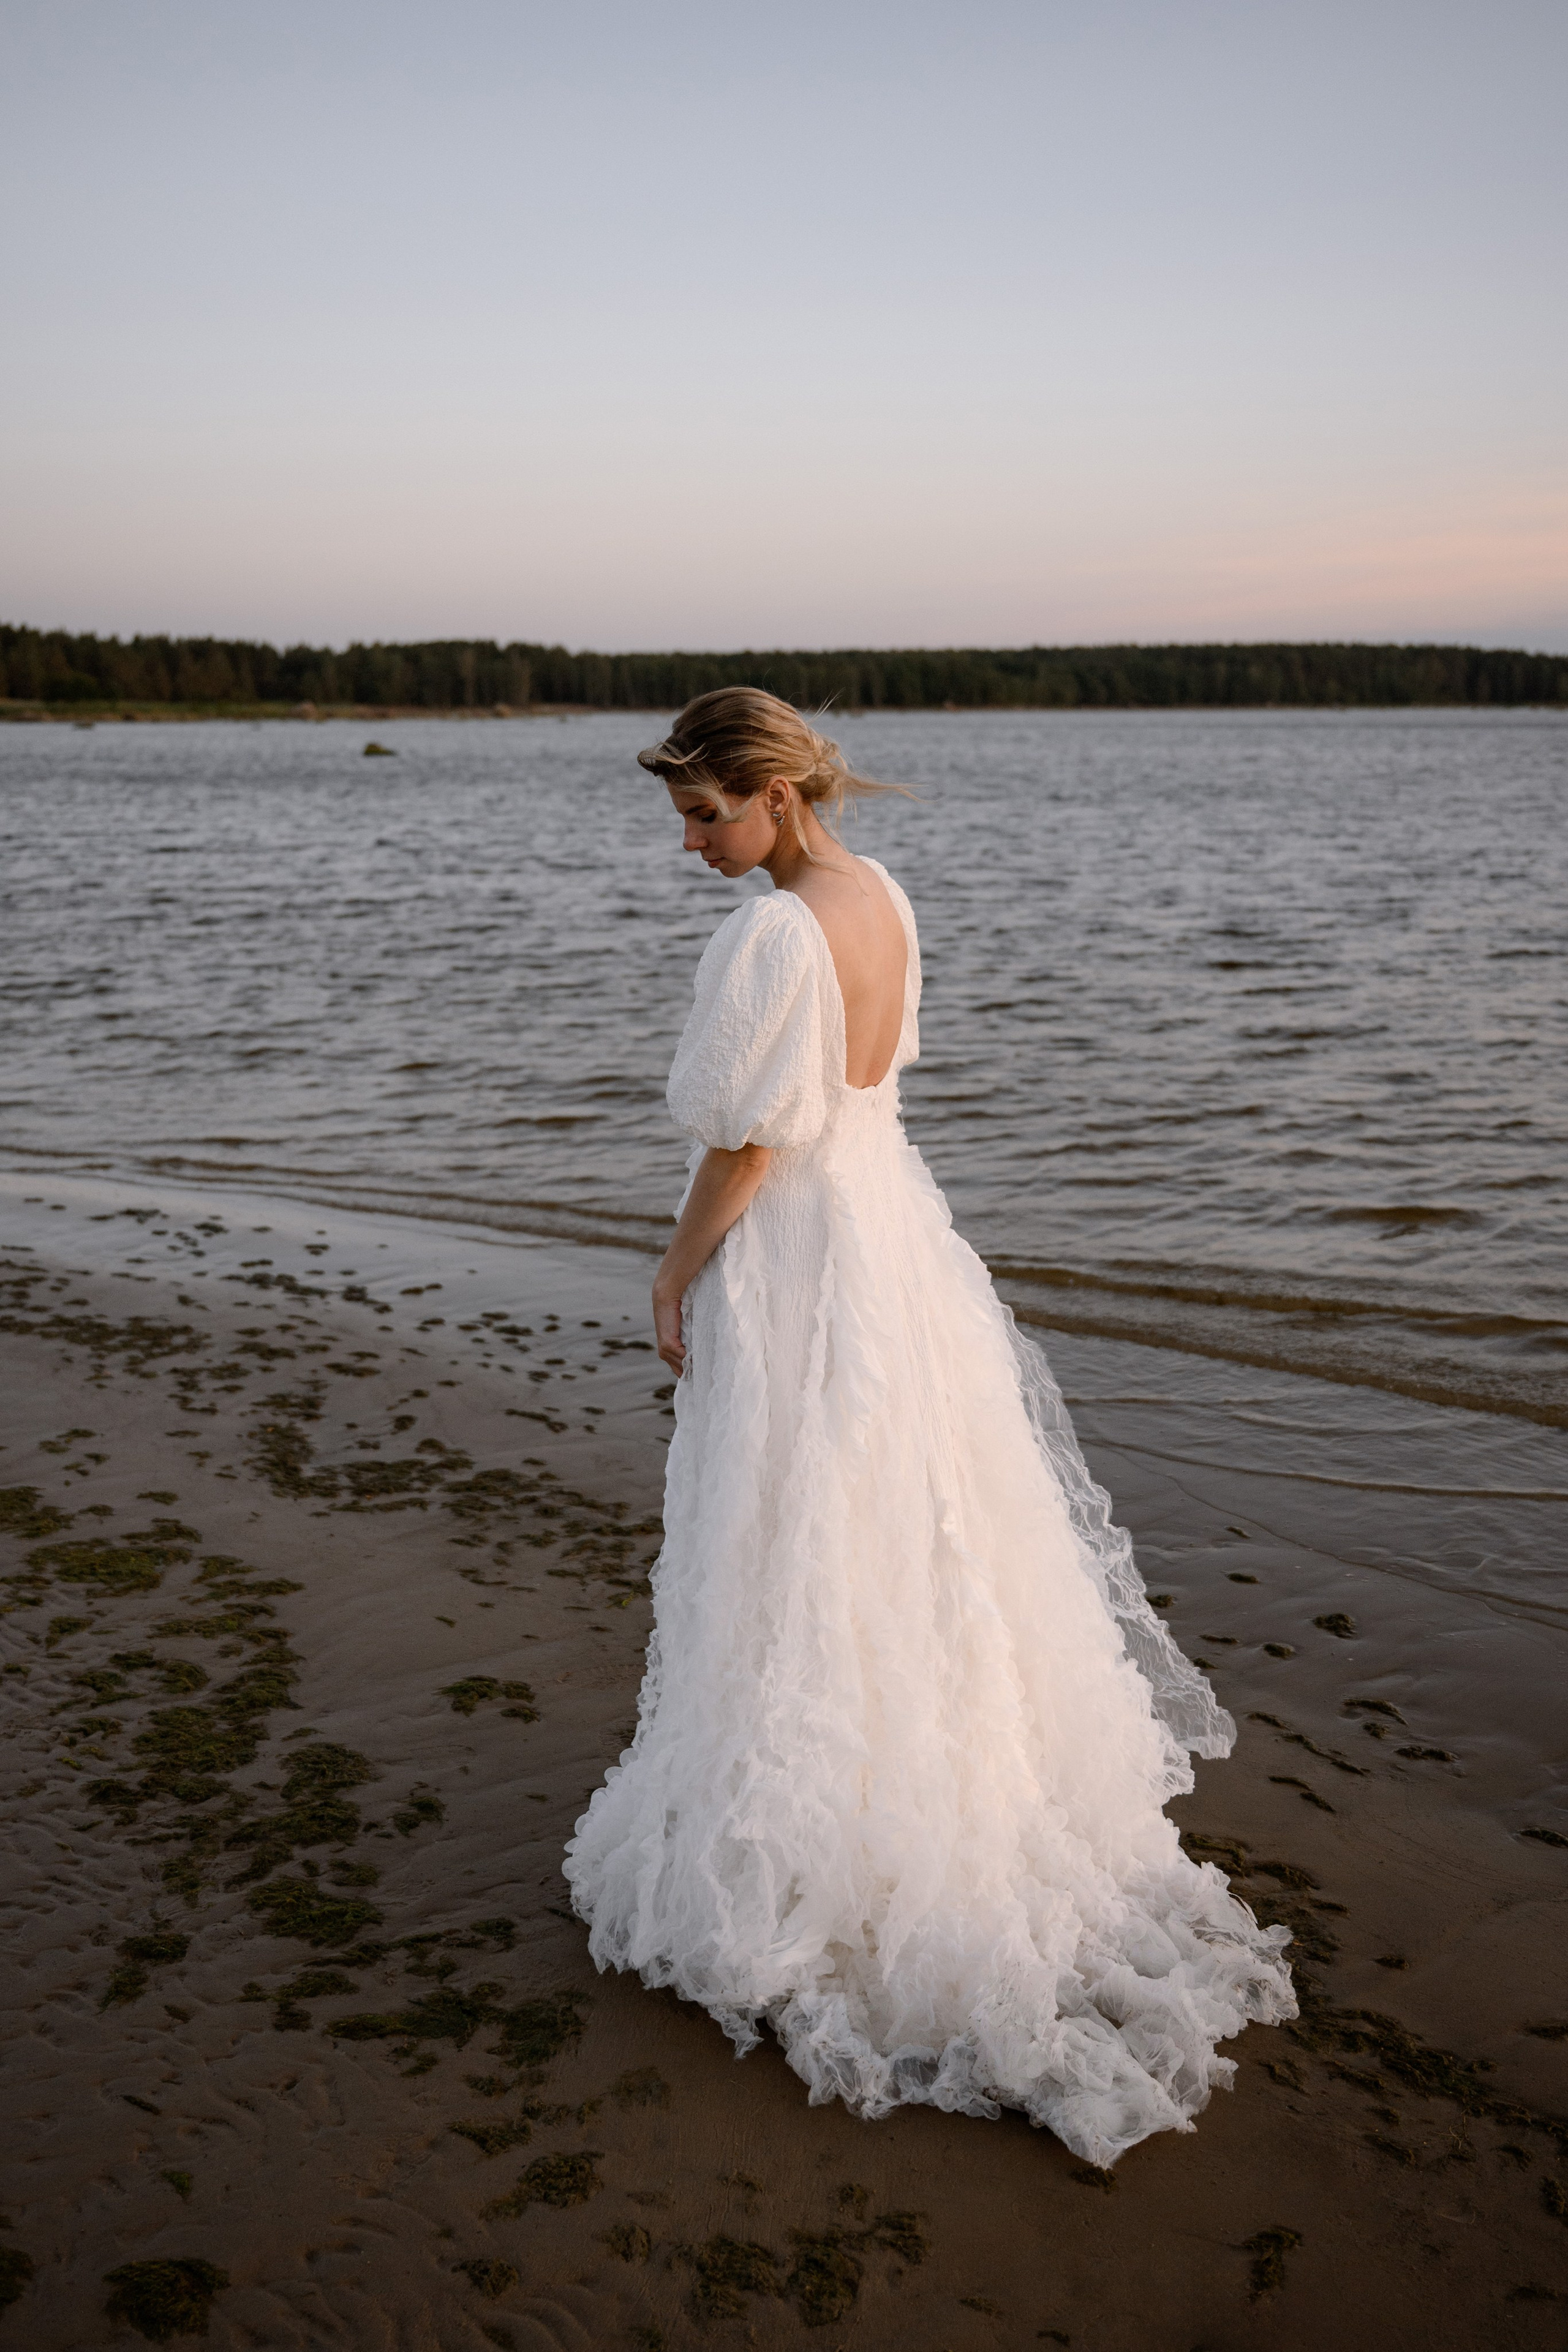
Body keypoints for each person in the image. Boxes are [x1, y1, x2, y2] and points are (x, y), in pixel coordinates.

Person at [564, 688, 1294, 2167]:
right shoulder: (875, 892)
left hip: (806, 1259)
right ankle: (923, 1792)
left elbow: (752, 1136)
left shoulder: (773, 931)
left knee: (803, 1533)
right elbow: (861, 1092)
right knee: (897, 1528)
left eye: (708, 816)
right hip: (894, 1243)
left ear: (774, 795)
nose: (691, 846)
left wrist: (672, 1269)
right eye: (681, 820)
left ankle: (833, 1857)